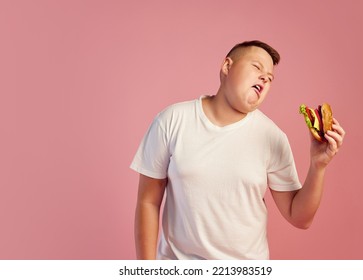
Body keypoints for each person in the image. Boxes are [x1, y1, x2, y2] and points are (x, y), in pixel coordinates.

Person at [130, 40, 346, 260]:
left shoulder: (272, 137)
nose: (265, 77)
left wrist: (318, 166)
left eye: (270, 78)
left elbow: (299, 217)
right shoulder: (172, 120)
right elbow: (148, 201)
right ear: (227, 66)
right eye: (257, 67)